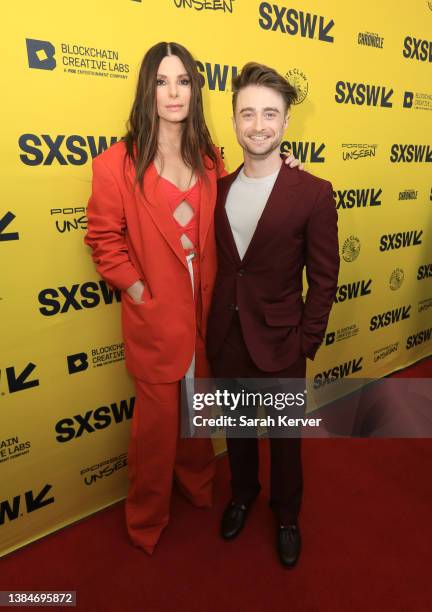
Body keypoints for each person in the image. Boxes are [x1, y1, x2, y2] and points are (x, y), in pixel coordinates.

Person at [85, 43, 302, 555]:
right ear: (148, 89)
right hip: (156, 319)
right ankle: (146, 518)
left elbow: (243, 195)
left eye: (183, 81)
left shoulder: (209, 157)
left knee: (200, 413)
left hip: (210, 316)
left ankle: (198, 484)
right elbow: (103, 240)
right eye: (162, 81)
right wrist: (141, 292)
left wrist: (283, 171)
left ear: (195, 90)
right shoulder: (115, 163)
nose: (173, 92)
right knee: (156, 431)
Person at [206, 62, 340, 568]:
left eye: (269, 114)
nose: (257, 124)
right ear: (235, 122)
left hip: (283, 341)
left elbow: (324, 276)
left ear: (285, 124)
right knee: (237, 429)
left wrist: (307, 340)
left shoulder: (312, 192)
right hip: (227, 335)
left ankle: (287, 515)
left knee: (285, 439)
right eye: (247, 114)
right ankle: (243, 494)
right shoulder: (216, 191)